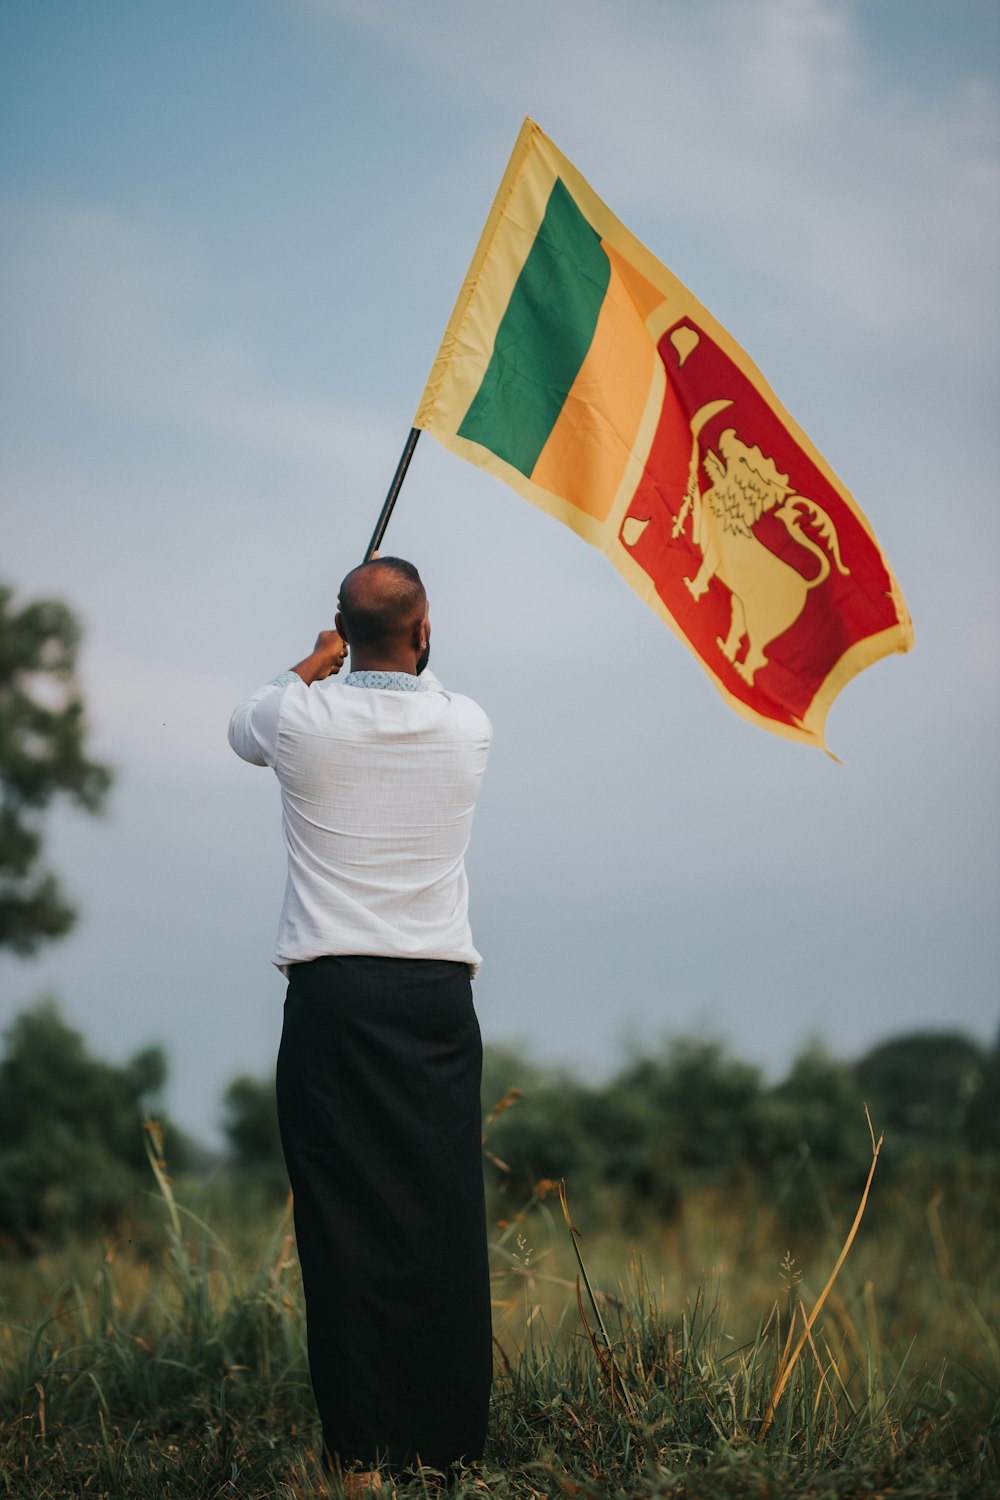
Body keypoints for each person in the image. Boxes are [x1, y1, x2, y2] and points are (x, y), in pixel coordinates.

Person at [228, 557, 493, 1484]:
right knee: (443, 1217)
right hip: (433, 1002)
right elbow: (410, 678)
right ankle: (448, 1445)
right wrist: (367, 651)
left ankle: (362, 1456)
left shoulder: (297, 718)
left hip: (336, 998)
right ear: (424, 632)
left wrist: (313, 662)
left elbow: (242, 728)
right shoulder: (467, 726)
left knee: (342, 1224)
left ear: (341, 630)